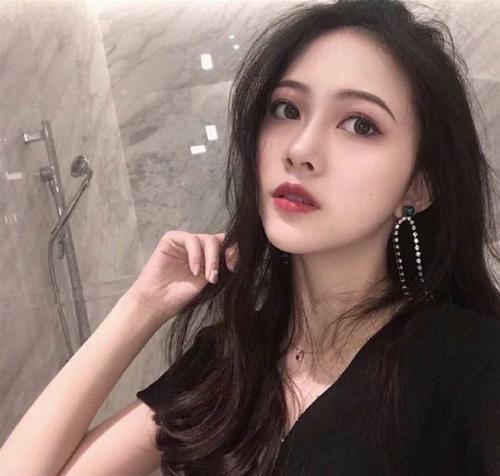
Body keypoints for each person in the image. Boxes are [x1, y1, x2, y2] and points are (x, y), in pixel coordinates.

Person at [1, 0, 500, 474]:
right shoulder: (231, 360)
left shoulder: (470, 366)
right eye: (286, 109)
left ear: (418, 186)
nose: (300, 149)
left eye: (360, 124)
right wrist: (142, 305)